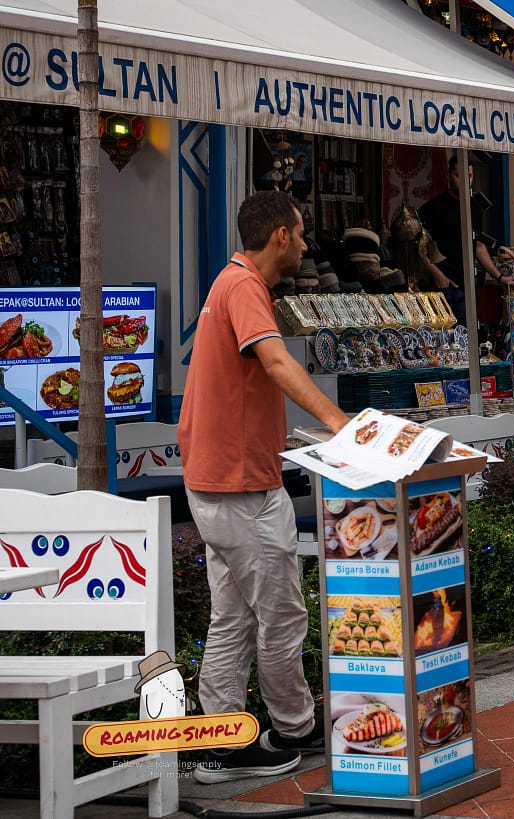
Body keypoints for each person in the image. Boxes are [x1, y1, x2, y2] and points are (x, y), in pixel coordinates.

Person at [179, 191, 350, 784]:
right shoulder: (246, 288)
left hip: (220, 479)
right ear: (280, 235)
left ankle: (224, 737)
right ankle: (292, 728)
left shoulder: (227, 283)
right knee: (280, 614)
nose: (305, 245)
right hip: (241, 485)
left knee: (234, 616)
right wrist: (337, 422)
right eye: (301, 235)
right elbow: (276, 363)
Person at [418, 155, 514, 327]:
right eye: (458, 175)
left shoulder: (475, 208)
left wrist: (499, 277)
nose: (464, 181)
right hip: (440, 288)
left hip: (466, 286)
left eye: (469, 176)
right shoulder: (433, 208)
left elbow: (478, 246)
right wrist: (437, 274)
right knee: (443, 340)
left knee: (467, 338)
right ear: (448, 176)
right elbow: (418, 248)